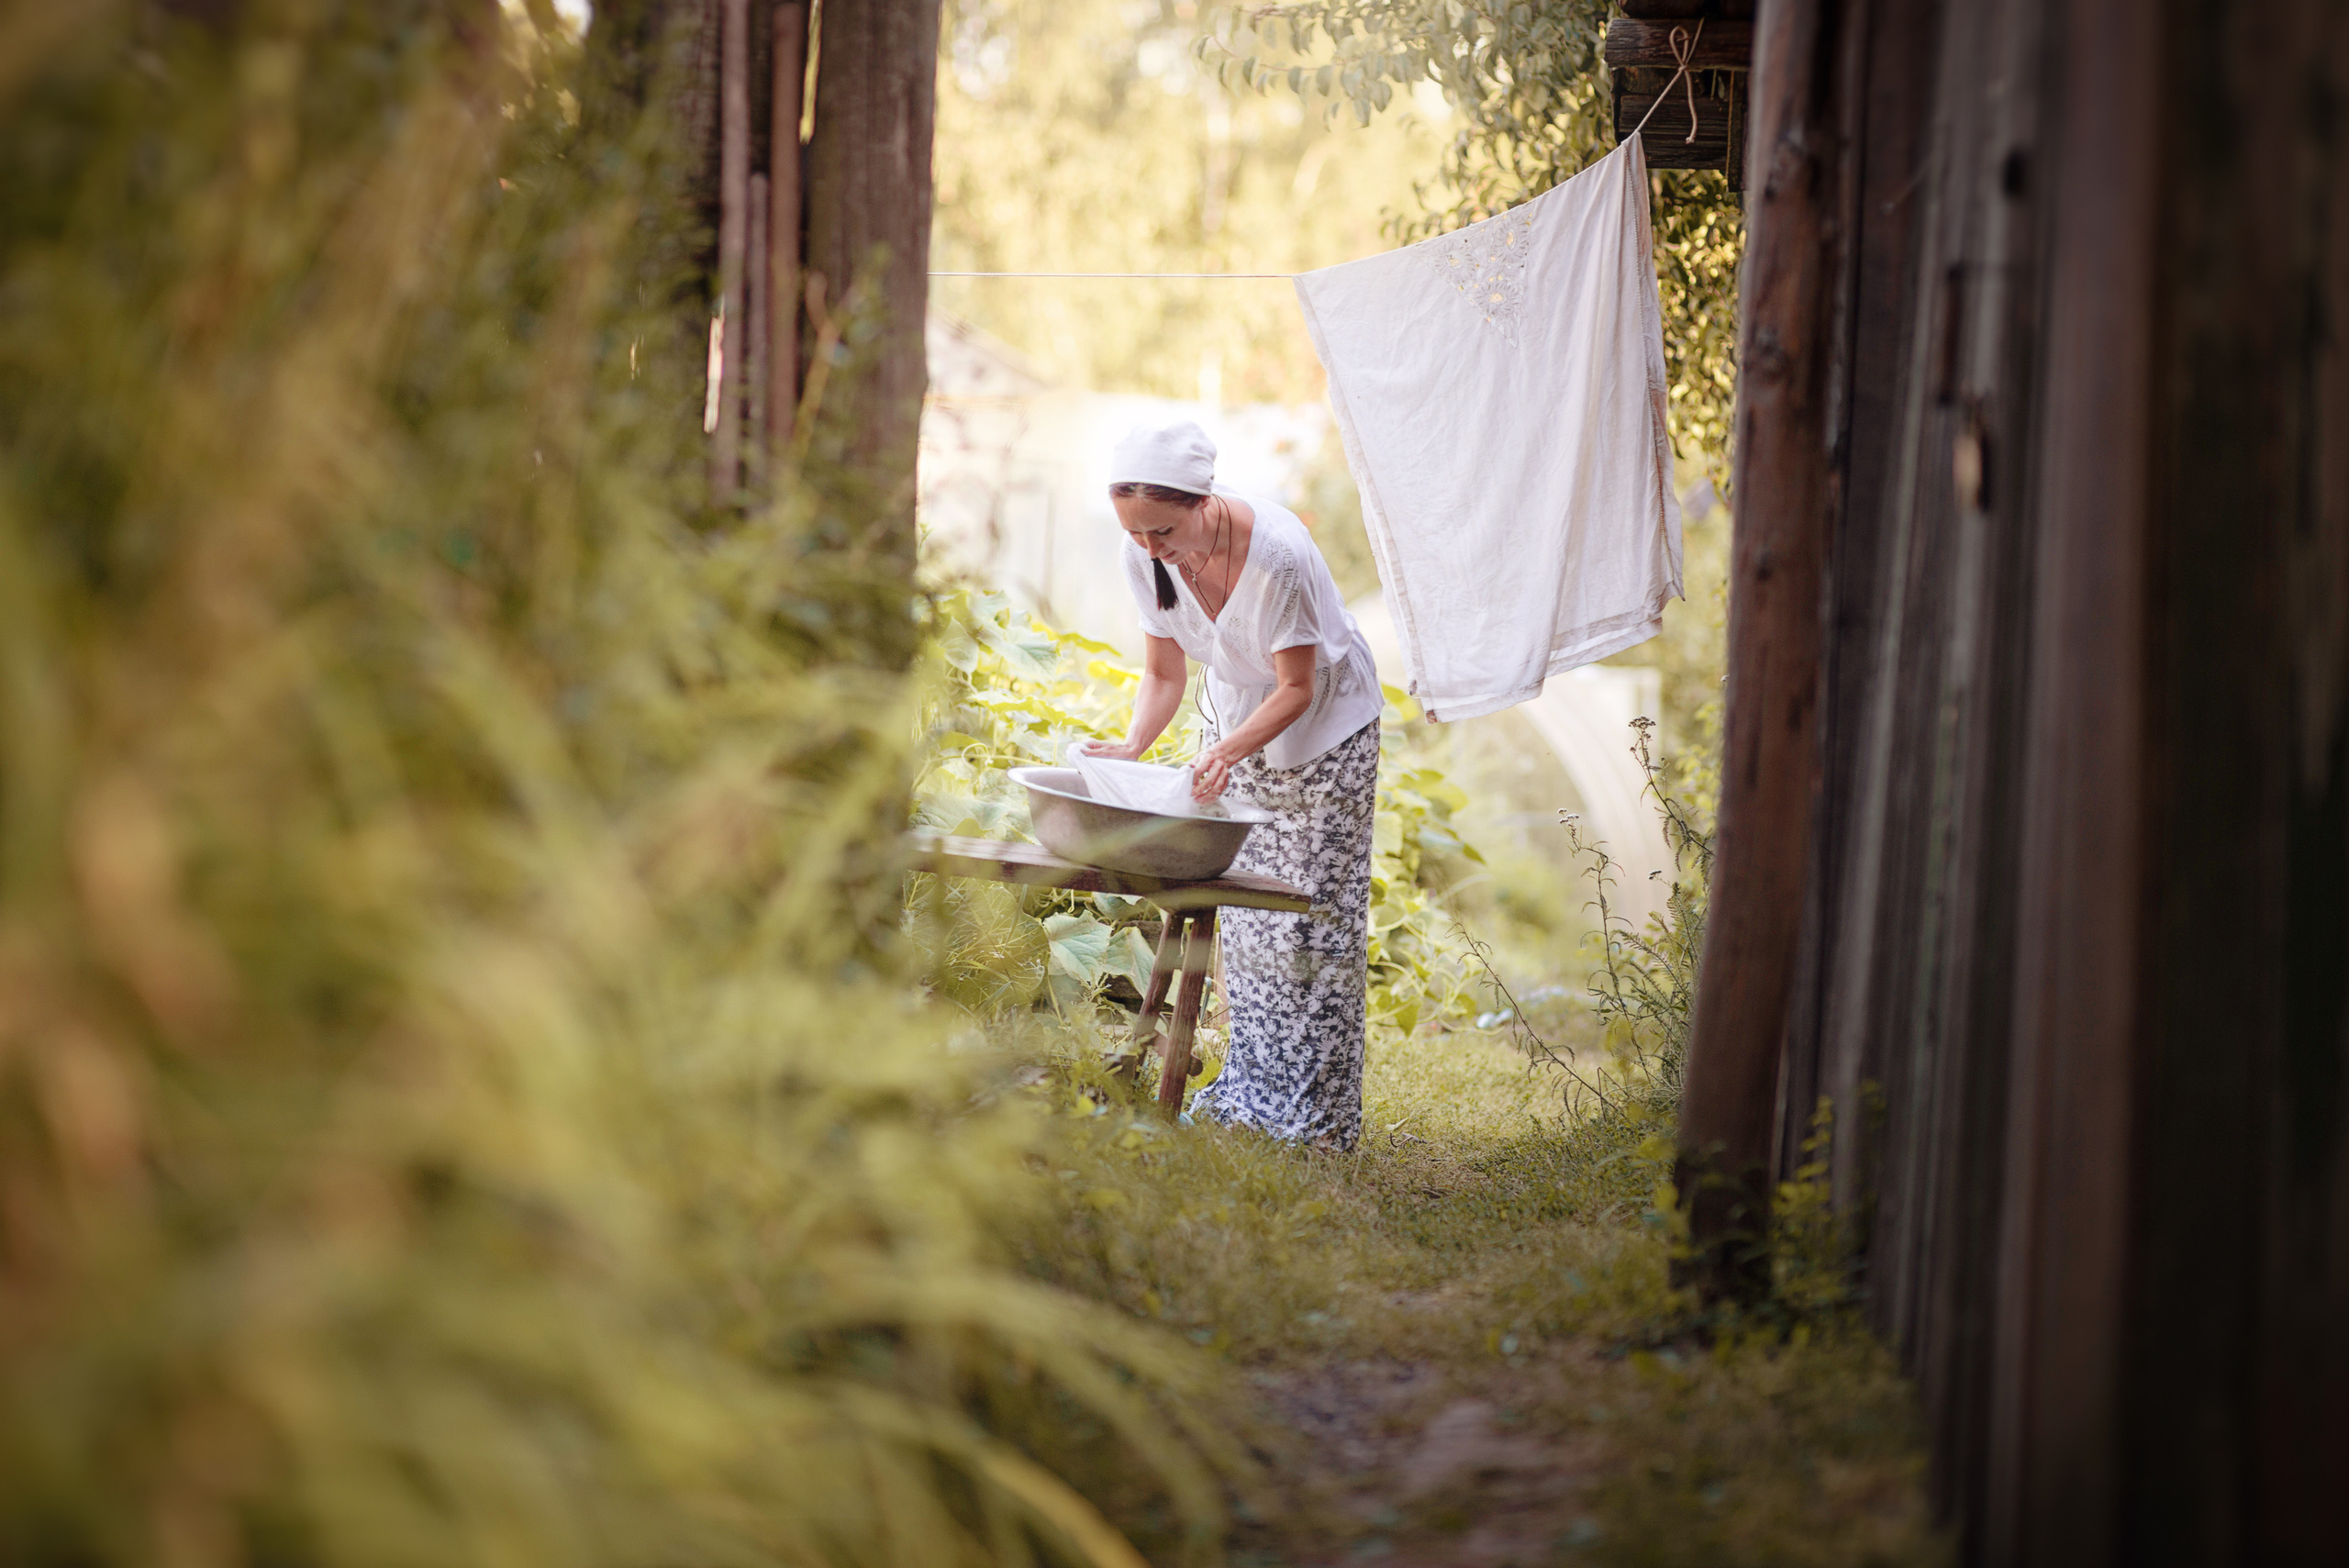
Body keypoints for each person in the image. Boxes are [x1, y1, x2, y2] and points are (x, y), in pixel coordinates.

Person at [1084, 422, 1384, 1150]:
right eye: (1136, 531)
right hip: (1237, 730)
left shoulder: (1275, 554)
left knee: (1310, 927)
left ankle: (1316, 1122)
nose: (1149, 547)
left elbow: (1298, 687)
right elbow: (1163, 673)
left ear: (1202, 502)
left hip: (1324, 736)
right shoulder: (1145, 554)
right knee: (1248, 924)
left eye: (1162, 529)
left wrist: (1225, 749)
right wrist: (1131, 745)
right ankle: (1254, 1102)